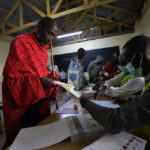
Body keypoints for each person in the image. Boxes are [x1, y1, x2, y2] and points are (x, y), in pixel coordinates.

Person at [80, 35, 150, 148]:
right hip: (141, 137)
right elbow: (145, 102)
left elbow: (114, 120)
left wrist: (87, 104)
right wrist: (130, 100)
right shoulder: (143, 78)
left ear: (140, 57)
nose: (125, 67)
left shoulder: (139, 79)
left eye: (127, 63)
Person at [2, 17, 59, 149]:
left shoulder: (43, 51)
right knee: (27, 142)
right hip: (24, 103)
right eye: (50, 33)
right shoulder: (20, 42)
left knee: (41, 138)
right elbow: (11, 79)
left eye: (54, 36)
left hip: (40, 102)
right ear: (39, 29)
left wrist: (50, 78)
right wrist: (38, 81)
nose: (51, 39)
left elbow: (40, 73)